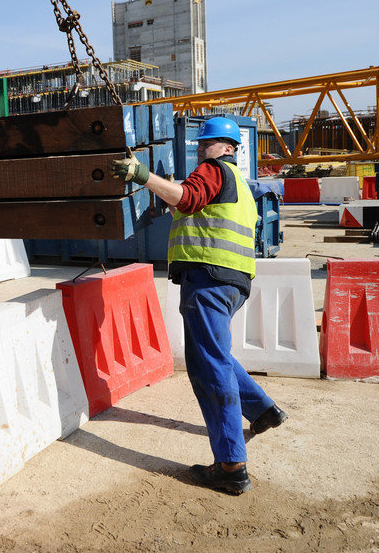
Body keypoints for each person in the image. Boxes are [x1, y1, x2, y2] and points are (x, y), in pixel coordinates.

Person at [111, 116, 288, 495]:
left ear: (224, 147)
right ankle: (262, 411)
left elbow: (187, 198)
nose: (198, 151)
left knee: (209, 367)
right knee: (213, 355)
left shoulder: (212, 170)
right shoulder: (239, 184)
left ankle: (230, 465)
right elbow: (188, 206)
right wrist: (164, 192)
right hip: (234, 282)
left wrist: (142, 176)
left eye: (204, 144)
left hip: (209, 278)